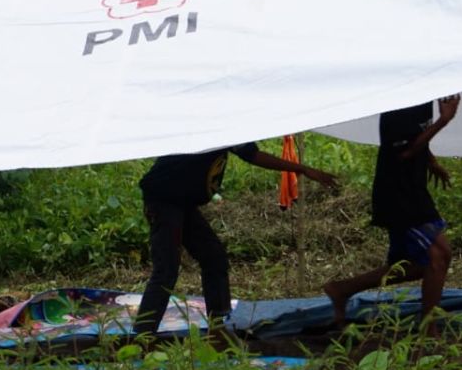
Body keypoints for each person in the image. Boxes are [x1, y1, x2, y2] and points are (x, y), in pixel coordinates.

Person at [133, 142, 339, 337]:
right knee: (167, 268)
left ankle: (218, 327)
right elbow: (254, 156)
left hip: (182, 201)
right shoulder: (213, 121)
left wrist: (301, 169)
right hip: (164, 199)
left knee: (214, 258)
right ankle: (143, 336)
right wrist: (302, 169)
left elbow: (251, 153)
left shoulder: (225, 126)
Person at [323, 95, 461, 334]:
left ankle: (342, 289)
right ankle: (429, 329)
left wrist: (431, 161)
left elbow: (417, 136)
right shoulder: (399, 103)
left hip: (411, 189)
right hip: (398, 194)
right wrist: (444, 121)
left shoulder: (424, 95)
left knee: (418, 265)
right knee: (439, 255)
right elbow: (404, 152)